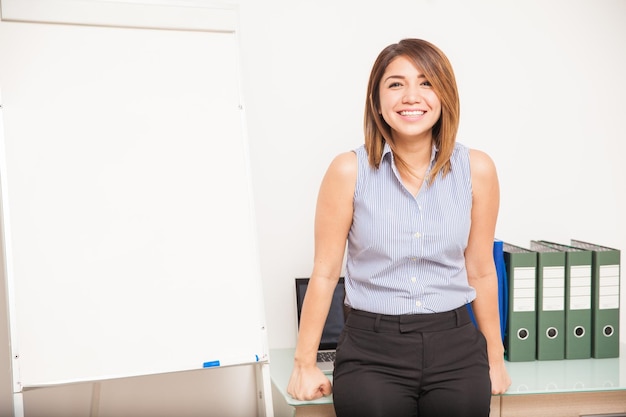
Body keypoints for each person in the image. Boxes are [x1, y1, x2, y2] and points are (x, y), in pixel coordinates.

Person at [287, 38, 511, 417]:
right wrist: (303, 364)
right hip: (372, 352)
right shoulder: (348, 171)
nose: (411, 96)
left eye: (426, 83)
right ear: (377, 100)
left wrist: (495, 356)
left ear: (445, 95)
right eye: (396, 84)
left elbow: (482, 270)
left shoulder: (477, 169)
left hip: (456, 345)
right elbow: (325, 273)